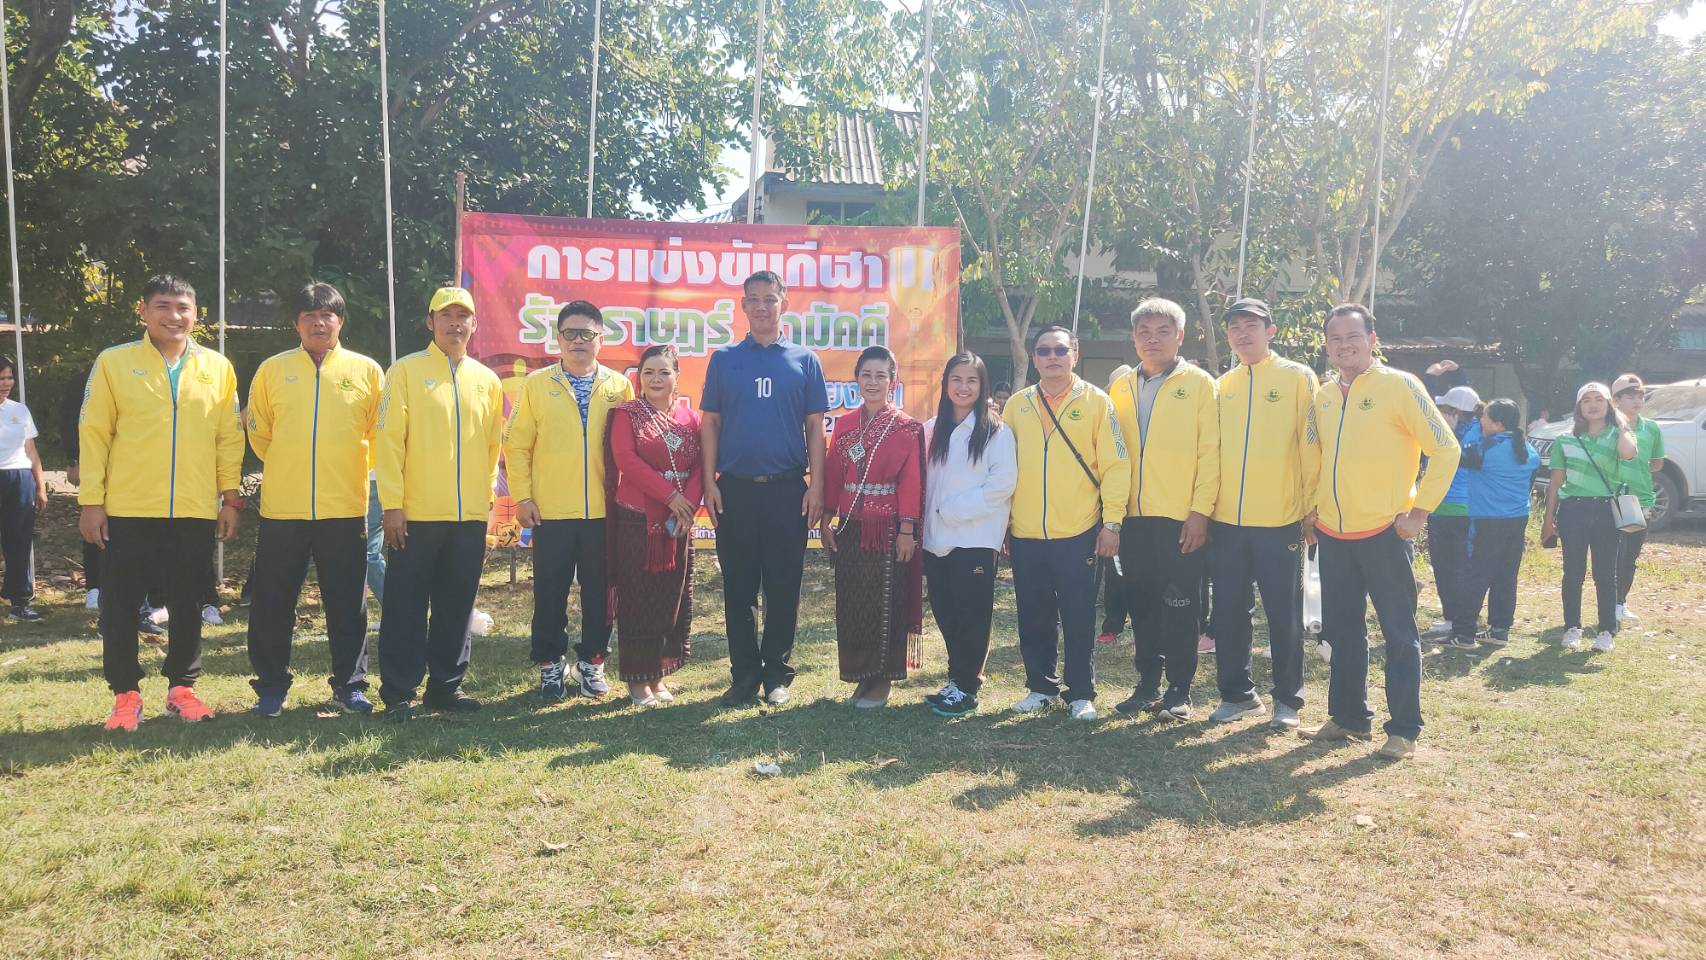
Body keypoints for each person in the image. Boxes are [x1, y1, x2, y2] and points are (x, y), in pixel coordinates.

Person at [80, 274, 245, 731]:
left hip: (193, 507)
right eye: (163, 306)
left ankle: (182, 690)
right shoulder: (114, 362)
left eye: (183, 308)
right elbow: (94, 433)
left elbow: (229, 437)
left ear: (196, 314)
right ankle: (125, 695)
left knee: (188, 601)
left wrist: (230, 497)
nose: (174, 316)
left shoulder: (217, 368)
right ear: (143, 311)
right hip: (128, 507)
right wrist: (91, 501)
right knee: (119, 604)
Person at [1302, 303, 1459, 760]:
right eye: (1335, 338)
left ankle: (1404, 729)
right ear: (1326, 346)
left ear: (1373, 340)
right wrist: (1311, 510)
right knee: (1342, 632)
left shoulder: (1400, 386)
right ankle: (1349, 717)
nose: (1344, 345)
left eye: (1353, 336)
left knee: (1398, 632)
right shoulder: (1324, 395)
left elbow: (1445, 449)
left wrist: (1420, 512)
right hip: (1333, 533)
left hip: (1386, 533)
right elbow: (1317, 457)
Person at [242, 282, 385, 716]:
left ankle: (350, 685)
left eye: (327, 315)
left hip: (345, 506)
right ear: (296, 323)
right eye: (309, 316)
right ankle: (271, 686)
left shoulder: (366, 371)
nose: (319, 323)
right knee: (272, 601)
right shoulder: (272, 370)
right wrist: (290, 462)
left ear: (340, 321)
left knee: (347, 603)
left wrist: (346, 471)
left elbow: (377, 434)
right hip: (283, 507)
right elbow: (259, 432)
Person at [374, 286, 504, 721]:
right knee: (406, 605)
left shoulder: (486, 380)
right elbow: (388, 441)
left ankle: (446, 686)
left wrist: (486, 503)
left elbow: (492, 449)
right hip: (416, 514)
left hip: (468, 516)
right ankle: (399, 691)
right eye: (445, 315)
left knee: (457, 604)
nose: (454, 323)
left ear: (474, 324)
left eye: (462, 316)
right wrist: (392, 505)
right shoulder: (405, 371)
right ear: (430, 322)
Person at [700, 270, 828, 707]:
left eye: (769, 299)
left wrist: (816, 485)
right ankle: (744, 676)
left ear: (783, 304)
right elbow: (711, 423)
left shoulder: (804, 360)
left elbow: (815, 427)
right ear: (742, 306)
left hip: (787, 490)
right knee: (738, 588)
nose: (761, 306)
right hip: (734, 490)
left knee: (783, 586)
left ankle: (776, 675)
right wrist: (708, 482)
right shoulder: (724, 359)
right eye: (752, 299)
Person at [504, 299, 635, 702]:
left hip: (603, 512)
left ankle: (593, 663)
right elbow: (518, 446)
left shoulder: (619, 386)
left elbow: (631, 447)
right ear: (559, 339)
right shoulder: (537, 385)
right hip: (551, 512)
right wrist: (523, 497)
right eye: (570, 333)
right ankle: (550, 665)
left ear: (601, 339)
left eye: (586, 334)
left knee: (601, 593)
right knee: (549, 592)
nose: (578, 341)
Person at [1002, 325, 1130, 721]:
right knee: (1033, 615)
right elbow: (1002, 468)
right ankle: (1040, 687)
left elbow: (1115, 465)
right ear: (1034, 358)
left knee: (1078, 616)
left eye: (1060, 350)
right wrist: (1002, 523)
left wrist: (1112, 523)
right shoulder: (1017, 405)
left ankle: (1080, 693)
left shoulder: (1097, 402)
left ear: (1075, 354)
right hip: (1026, 532)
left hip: (1079, 531)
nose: (1052, 357)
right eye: (1044, 351)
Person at [1204, 297, 1320, 730]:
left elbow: (1311, 445)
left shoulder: (1297, 377)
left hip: (1280, 520)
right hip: (1227, 522)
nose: (1242, 334)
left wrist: (1310, 507)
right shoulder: (1223, 385)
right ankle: (1237, 695)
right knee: (1229, 611)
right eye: (1234, 327)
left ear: (1270, 331)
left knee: (1283, 613)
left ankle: (1287, 700)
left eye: (1250, 326)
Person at [1107, 298, 1219, 722]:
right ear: (1133, 338)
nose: (1152, 340)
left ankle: (1179, 688)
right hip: (1133, 517)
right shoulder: (1121, 387)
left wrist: (1200, 512)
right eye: (1144, 332)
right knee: (1142, 602)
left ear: (1180, 336)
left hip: (1180, 517)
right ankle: (1147, 683)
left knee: (1180, 603)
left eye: (1162, 332)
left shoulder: (1200, 384)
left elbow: (1211, 453)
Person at [821, 346, 925, 708]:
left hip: (888, 529)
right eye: (866, 374)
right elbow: (834, 474)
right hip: (850, 525)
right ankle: (861, 675)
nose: (873, 382)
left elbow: (911, 482)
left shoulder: (907, 428)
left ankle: (882, 680)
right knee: (854, 602)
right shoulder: (845, 424)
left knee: (886, 602)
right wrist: (826, 520)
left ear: (893, 381)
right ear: (856, 379)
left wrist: (908, 531)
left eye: (881, 375)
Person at [606, 344, 702, 707]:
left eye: (664, 372)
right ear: (639, 378)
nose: (656, 379)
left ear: (677, 377)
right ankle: (637, 679)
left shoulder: (690, 419)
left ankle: (657, 673)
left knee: (668, 598)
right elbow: (626, 459)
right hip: (638, 521)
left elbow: (702, 464)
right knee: (638, 599)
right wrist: (670, 496)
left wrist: (687, 505)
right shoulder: (627, 414)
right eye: (649, 372)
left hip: (678, 523)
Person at [921, 352, 1016, 718]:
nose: (963, 387)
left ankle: (968, 687)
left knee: (972, 614)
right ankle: (957, 679)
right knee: (945, 612)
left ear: (982, 386)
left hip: (975, 538)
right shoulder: (933, 428)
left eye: (971, 381)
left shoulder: (995, 430)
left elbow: (1002, 483)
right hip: (936, 538)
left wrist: (955, 509)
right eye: (956, 380)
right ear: (945, 384)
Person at [1540, 381, 1637, 653]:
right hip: (1573, 510)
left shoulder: (1618, 434)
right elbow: (1556, 482)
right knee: (1573, 572)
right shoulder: (1565, 439)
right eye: (1586, 400)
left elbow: (1628, 453)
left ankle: (1606, 630)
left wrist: (1621, 425)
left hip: (1606, 510)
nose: (1592, 405)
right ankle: (1572, 627)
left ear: (1608, 404)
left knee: (1605, 573)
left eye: (1599, 399)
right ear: (1578, 406)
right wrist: (1548, 519)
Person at [1458, 399, 1540, 647]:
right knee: (1506, 574)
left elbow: (1457, 452)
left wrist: (1469, 426)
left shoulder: (1484, 451)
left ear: (1498, 424)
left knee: (1476, 574)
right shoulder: (1528, 450)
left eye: (1484, 417)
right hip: (1517, 519)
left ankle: (1463, 633)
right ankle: (1500, 629)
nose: (1480, 421)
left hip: (1487, 520)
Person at [1425, 385, 1483, 649]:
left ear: (1455, 412)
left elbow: (1459, 458)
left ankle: (1462, 620)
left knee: (1460, 567)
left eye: (1444, 409)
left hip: (1462, 508)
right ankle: (1450, 617)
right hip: (1438, 506)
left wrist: (1448, 433)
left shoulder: (1473, 433)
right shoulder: (1445, 430)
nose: (1439, 412)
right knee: (1442, 565)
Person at [1611, 373, 1662, 624]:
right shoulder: (1607, 427)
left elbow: (1657, 463)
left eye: (1640, 395)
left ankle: (1620, 603)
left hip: (1641, 500)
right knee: (1612, 555)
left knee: (1630, 556)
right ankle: (1608, 602)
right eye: (1630, 396)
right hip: (1611, 498)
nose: (1637, 400)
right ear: (1616, 400)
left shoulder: (1651, 427)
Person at [0, 356, 46, 622]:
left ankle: (20, 600)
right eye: (1, 378)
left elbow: (31, 450)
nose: (6, 383)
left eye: (9, 378)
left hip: (19, 479)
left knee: (19, 541)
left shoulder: (20, 410)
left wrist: (40, 486)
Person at [1095, 364, 1133, 646]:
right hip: (1110, 505)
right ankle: (1113, 624)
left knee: (1144, 570)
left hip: (1145, 505)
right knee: (1113, 568)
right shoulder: (1103, 416)